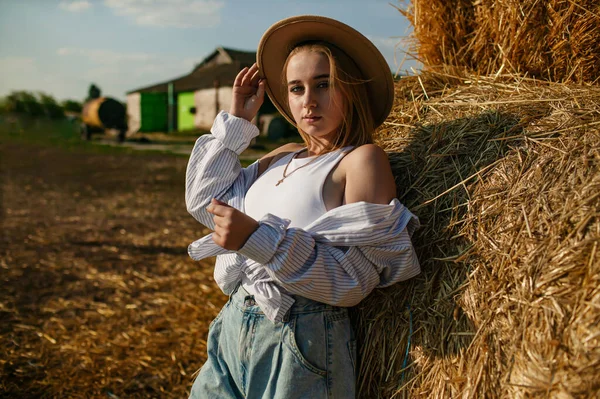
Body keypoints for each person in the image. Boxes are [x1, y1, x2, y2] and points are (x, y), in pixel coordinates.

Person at [185, 15, 421, 399]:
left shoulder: (360, 160)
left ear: (352, 88)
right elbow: (203, 203)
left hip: (301, 336)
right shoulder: (281, 156)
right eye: (296, 88)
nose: (308, 101)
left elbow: (354, 280)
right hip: (233, 323)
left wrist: (258, 239)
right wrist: (237, 123)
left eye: (324, 84)